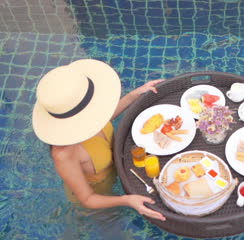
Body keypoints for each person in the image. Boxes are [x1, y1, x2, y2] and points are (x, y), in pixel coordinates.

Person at [32, 59, 166, 221]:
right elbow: (88, 199)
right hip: (101, 190)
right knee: (109, 225)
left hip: (121, 168)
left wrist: (133, 95)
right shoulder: (64, 154)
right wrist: (126, 200)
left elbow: (105, 118)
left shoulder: (89, 118)